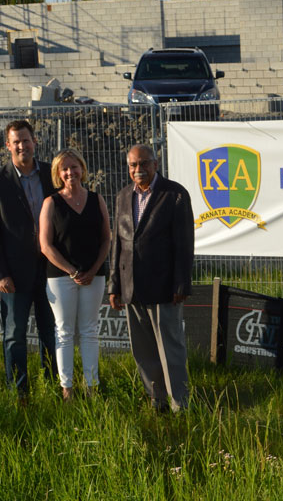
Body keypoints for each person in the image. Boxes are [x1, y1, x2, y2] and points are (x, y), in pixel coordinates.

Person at [108, 144, 194, 412]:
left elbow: (184, 244)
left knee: (171, 351)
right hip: (131, 287)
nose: (138, 169)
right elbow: (117, 245)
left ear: (156, 164)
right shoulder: (123, 196)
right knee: (143, 352)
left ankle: (180, 404)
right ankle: (157, 402)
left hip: (165, 287)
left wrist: (181, 283)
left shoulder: (174, 194)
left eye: (144, 163)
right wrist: (114, 285)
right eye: (133, 165)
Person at [0, 120, 58, 401]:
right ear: (7, 146)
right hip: (14, 274)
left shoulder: (52, 174)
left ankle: (53, 383)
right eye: (16, 142)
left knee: (51, 331)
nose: (22, 146)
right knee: (14, 334)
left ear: (34, 141)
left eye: (26, 140)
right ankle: (19, 390)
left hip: (51, 270)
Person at [39, 149, 110, 400]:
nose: (71, 172)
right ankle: (67, 388)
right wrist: (72, 271)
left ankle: (92, 387)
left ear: (82, 169)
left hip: (94, 276)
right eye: (65, 169)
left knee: (90, 330)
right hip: (60, 278)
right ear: (58, 174)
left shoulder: (96, 199)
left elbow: (106, 239)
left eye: (75, 167)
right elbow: (45, 245)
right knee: (64, 332)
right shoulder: (51, 203)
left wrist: (91, 271)